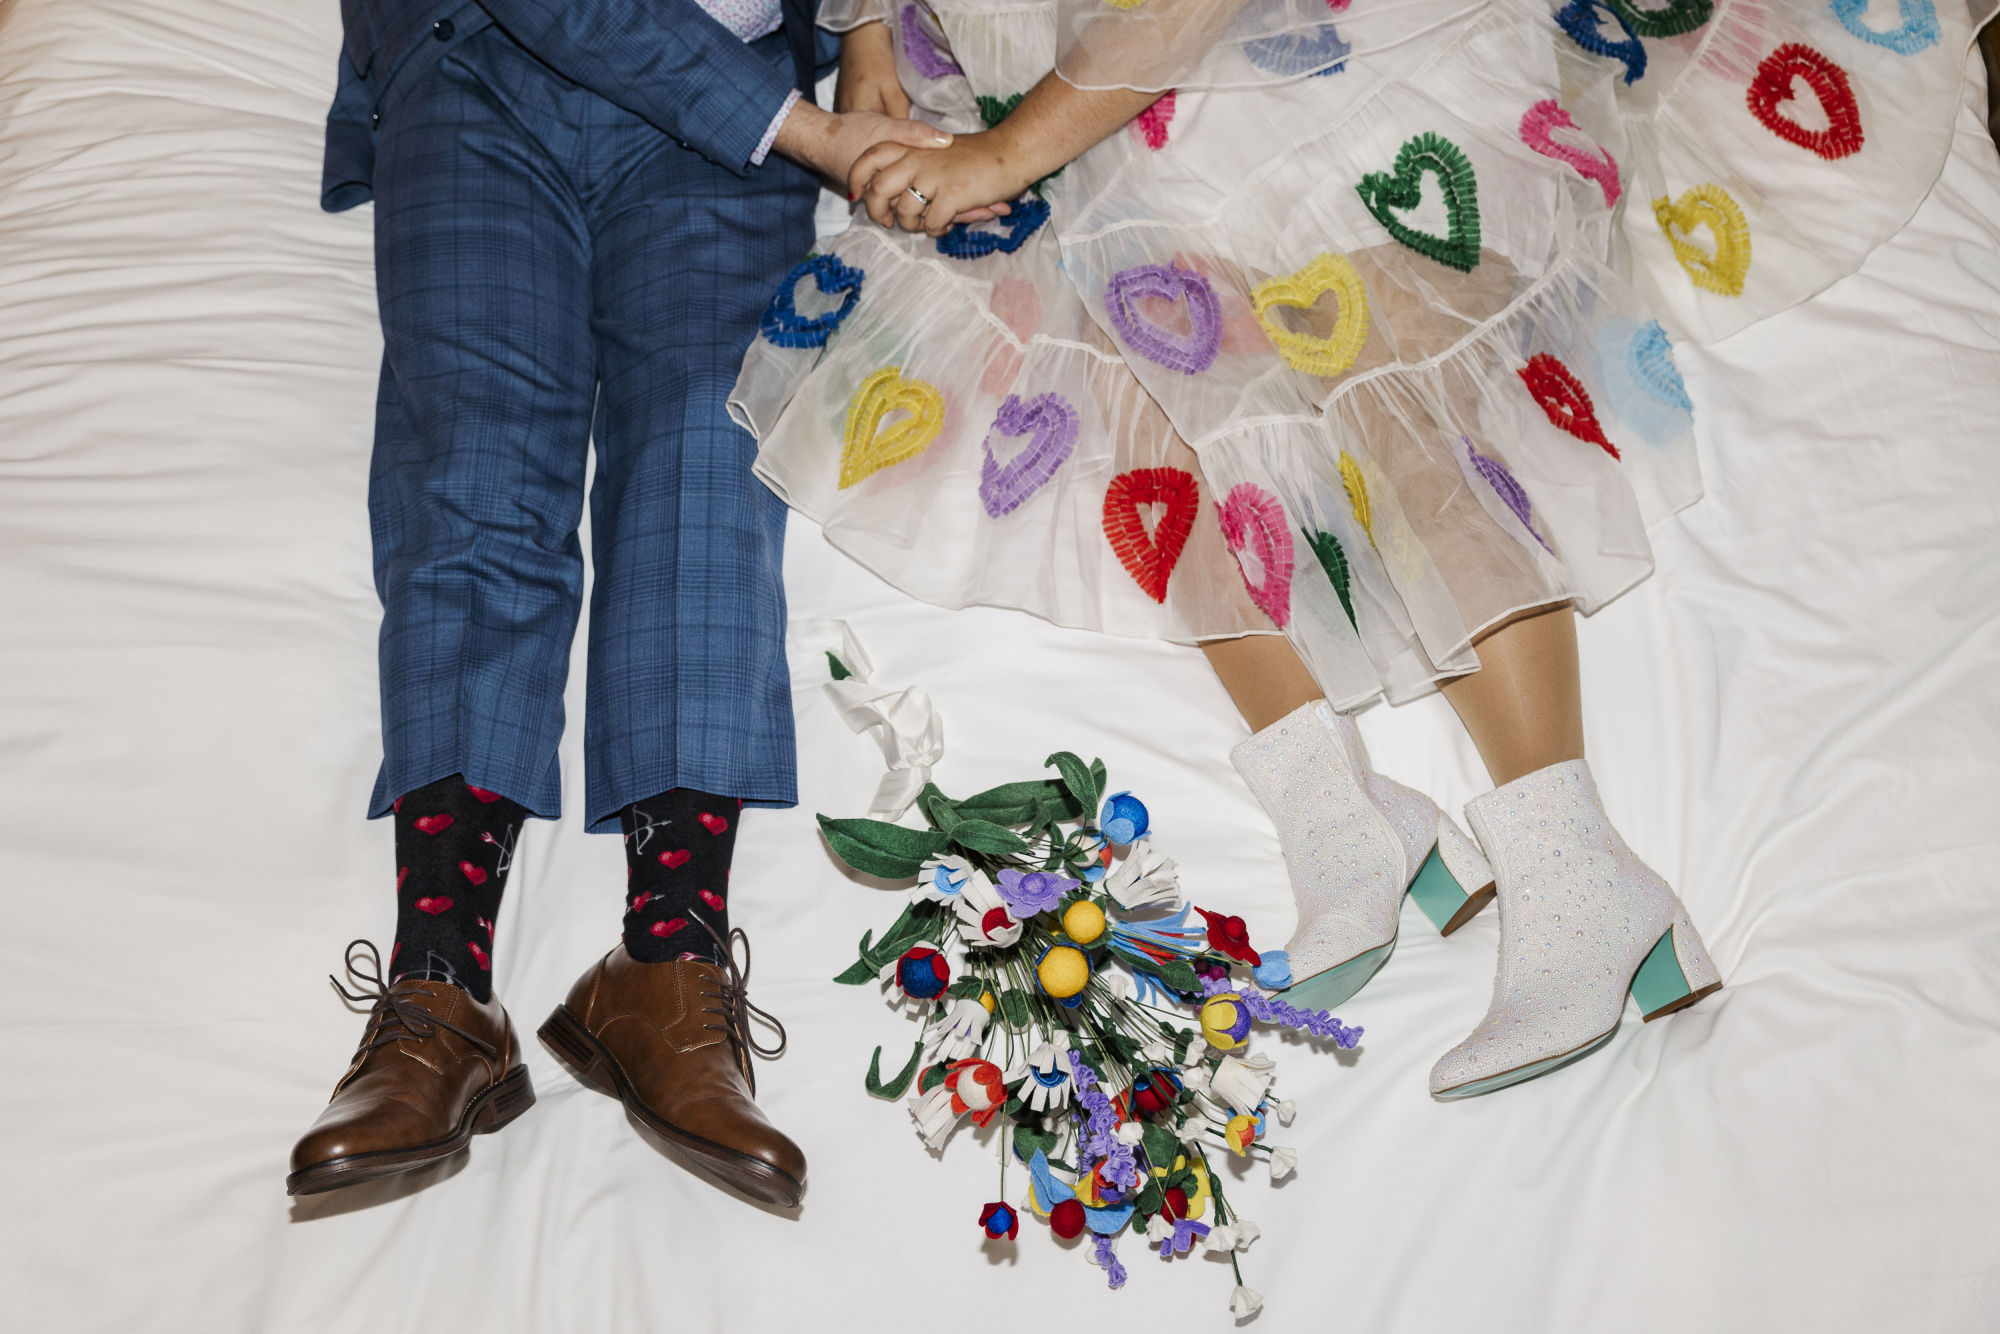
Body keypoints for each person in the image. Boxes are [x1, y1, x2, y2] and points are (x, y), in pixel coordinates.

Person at [732, 0, 1984, 1095]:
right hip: (1041, 71)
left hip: (1291, 49)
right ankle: (1335, 809)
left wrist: (1007, 145)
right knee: (1127, 371)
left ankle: (1573, 857)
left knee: (1383, 352)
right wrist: (870, 29)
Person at [286, 0, 952, 1202]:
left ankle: (665, 966)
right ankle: (439, 990)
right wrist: (810, 131)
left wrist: (862, 36)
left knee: (710, 449)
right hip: (474, 60)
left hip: (739, 97)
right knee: (473, 465)